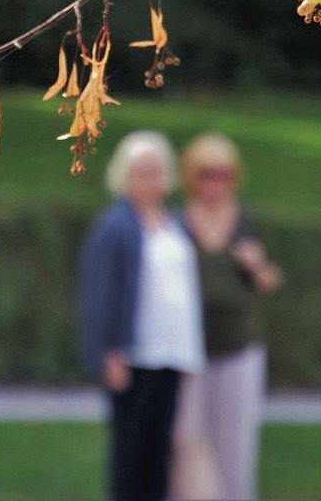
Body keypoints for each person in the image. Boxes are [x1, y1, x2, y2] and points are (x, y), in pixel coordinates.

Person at [79, 130, 205, 501]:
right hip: (135, 353)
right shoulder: (116, 225)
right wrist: (109, 350)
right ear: (125, 174)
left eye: (156, 170)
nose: (150, 179)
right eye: (141, 170)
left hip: (173, 351)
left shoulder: (175, 223)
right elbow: (100, 291)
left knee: (160, 449)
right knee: (131, 450)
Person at [170, 131, 283, 501]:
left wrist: (257, 264)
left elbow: (270, 280)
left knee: (235, 442)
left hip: (238, 347)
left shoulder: (245, 222)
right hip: (189, 350)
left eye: (223, 174)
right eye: (207, 174)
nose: (216, 183)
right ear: (192, 176)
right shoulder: (177, 224)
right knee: (186, 440)